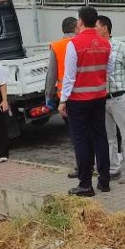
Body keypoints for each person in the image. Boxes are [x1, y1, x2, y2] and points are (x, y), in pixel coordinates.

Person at [58, 6, 112, 197]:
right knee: (100, 137)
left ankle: (85, 184)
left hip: (79, 100)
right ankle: (104, 181)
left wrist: (63, 100)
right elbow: (108, 71)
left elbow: (69, 77)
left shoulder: (74, 43)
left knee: (81, 141)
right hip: (99, 97)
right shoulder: (106, 43)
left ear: (80, 21)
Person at [95, 15, 125, 184]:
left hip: (119, 97)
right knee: (108, 137)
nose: (94, 30)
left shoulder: (120, 48)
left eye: (96, 26)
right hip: (102, 98)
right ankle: (113, 168)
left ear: (105, 28)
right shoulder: (96, 48)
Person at [45, 17, 80, 179]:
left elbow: (51, 75)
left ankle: (82, 166)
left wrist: (49, 96)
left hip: (65, 98)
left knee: (75, 134)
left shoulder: (57, 46)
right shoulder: (82, 42)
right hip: (87, 94)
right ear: (75, 27)